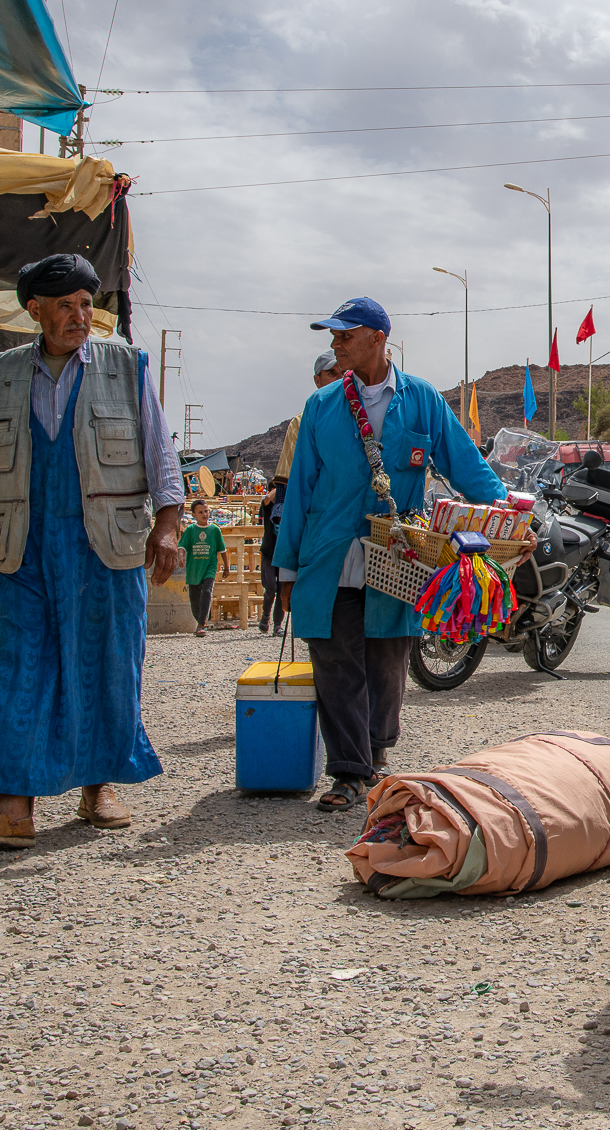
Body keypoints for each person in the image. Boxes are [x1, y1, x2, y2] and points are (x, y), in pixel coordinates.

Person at [0, 254, 183, 849]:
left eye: (86, 305)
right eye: (67, 306)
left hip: (106, 542)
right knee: (21, 665)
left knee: (108, 663)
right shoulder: (1, 373)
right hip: (25, 548)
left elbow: (161, 454)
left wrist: (169, 526)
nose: (80, 317)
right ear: (36, 311)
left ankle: (99, 786)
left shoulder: (124, 365)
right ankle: (13, 808)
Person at [275, 296, 505, 815]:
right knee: (335, 662)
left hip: (399, 555)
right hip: (329, 554)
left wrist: (511, 515)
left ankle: (374, 755)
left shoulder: (422, 400)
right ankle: (349, 772)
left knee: (387, 661)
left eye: (344, 336)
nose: (335, 346)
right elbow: (301, 493)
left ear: (379, 339)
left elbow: (466, 466)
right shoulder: (321, 406)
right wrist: (287, 566)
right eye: (333, 338)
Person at [261, 351, 339, 633]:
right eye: (331, 373)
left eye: (343, 371)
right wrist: (288, 565)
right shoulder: (303, 420)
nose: (339, 377)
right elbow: (287, 491)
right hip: (314, 533)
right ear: (318, 380)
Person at [179, 499, 231, 635]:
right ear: (194, 514)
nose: (204, 514)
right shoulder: (190, 530)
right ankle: (201, 618)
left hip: (210, 566)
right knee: (195, 600)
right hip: (194, 569)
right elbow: (182, 546)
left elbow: (222, 550)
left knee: (207, 591)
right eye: (200, 512)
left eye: (206, 511)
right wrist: (180, 557)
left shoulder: (215, 530)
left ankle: (201, 624)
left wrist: (226, 567)